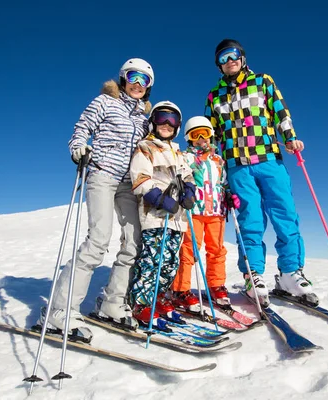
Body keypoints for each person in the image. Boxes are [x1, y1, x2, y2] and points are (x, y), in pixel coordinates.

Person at [39, 58, 155, 339]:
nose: (138, 83)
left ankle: (112, 304)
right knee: (98, 240)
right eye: (133, 76)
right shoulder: (104, 102)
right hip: (102, 174)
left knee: (133, 243)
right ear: (123, 78)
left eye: (145, 79)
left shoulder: (144, 118)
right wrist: (78, 147)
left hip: (129, 184)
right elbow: (82, 128)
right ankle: (59, 310)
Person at [204, 39, 318, 307]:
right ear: (219, 65)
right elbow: (211, 134)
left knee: (285, 214)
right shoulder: (214, 95)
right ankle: (252, 274)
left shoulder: (262, 81)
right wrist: (207, 161)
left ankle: (290, 273)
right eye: (223, 58)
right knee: (250, 220)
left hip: (268, 159)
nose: (229, 61)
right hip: (236, 166)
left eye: (233, 55)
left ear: (242, 57)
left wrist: (290, 137)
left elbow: (280, 112)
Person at [128, 101, 196, 328]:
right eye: (161, 118)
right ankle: (141, 304)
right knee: (152, 261)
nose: (166, 124)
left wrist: (190, 191)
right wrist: (159, 198)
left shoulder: (178, 151)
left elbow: (187, 176)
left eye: (172, 120)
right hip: (155, 216)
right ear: (153, 121)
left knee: (169, 262)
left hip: (177, 219)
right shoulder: (145, 147)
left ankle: (160, 298)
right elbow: (140, 179)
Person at [169, 116, 241, 312]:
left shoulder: (218, 160)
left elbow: (224, 182)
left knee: (217, 250)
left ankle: (216, 286)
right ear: (189, 138)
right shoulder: (186, 157)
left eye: (205, 134)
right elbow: (181, 177)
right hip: (194, 211)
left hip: (216, 211)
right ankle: (180, 289)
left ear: (211, 136)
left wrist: (228, 195)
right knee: (189, 249)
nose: (201, 139)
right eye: (195, 135)